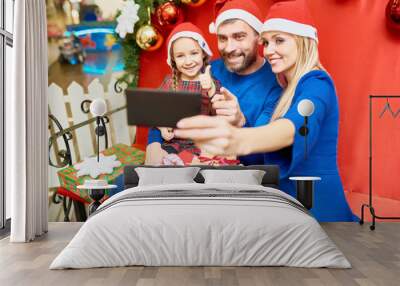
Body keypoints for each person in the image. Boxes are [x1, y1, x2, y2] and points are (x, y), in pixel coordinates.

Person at [174, 0, 357, 222]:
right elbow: (265, 156)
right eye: (267, 42)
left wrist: (237, 138)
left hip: (318, 210)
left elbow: (295, 128)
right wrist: (240, 122)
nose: (269, 51)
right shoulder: (288, 87)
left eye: (279, 41)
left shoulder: (317, 83)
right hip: (286, 205)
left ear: (303, 41)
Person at [145, 22, 239, 166]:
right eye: (180, 56)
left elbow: (221, 115)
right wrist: (163, 127)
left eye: (194, 53)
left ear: (203, 54)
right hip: (174, 144)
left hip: (202, 144)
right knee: (162, 158)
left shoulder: (212, 82)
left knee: (216, 156)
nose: (188, 61)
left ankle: (196, 164)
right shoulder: (170, 83)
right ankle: (183, 164)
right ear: (173, 60)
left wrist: (211, 90)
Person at [207, 0, 282, 165]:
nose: (229, 48)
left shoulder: (277, 81)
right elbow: (173, 113)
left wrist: (240, 122)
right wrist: (154, 143)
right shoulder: (208, 70)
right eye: (222, 38)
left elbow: (264, 158)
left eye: (239, 37)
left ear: (259, 37)